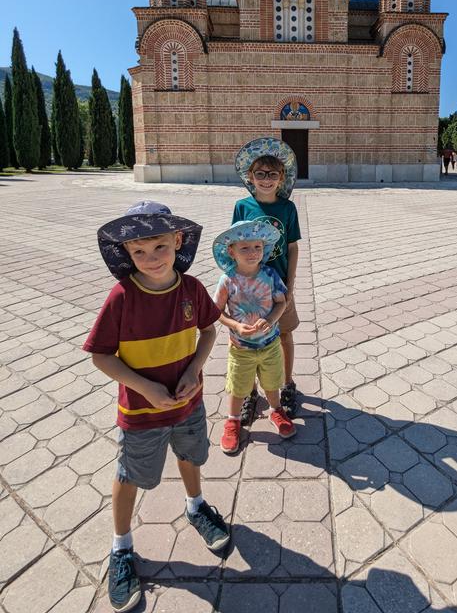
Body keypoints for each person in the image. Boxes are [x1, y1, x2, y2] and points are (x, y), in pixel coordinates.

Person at [83, 201, 230, 613]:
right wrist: (145, 387)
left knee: (190, 456)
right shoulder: (121, 296)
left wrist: (196, 370)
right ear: (126, 253)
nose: (150, 260)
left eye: (160, 248)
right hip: (141, 413)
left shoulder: (192, 289)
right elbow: (101, 356)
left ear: (177, 241)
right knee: (130, 474)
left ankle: (196, 506)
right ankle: (121, 548)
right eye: (139, 252)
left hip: (187, 403)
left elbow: (208, 331)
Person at [231, 138, 301, 421]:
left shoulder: (287, 208)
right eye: (260, 174)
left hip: (279, 286)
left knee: (284, 333)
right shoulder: (242, 206)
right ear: (250, 176)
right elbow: (233, 244)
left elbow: (293, 247)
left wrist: (291, 284)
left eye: (273, 174)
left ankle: (287, 384)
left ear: (281, 177)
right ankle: (249, 392)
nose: (266, 179)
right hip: (248, 286)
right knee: (244, 337)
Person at [213, 220, 297, 454]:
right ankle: (232, 420)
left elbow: (281, 302)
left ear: (264, 248)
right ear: (232, 251)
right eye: (245, 248)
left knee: (272, 382)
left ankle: (276, 410)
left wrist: (271, 320)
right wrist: (235, 326)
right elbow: (216, 312)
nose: (252, 253)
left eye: (257, 247)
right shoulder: (227, 280)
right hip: (240, 348)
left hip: (270, 344)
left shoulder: (270, 274)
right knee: (239, 386)